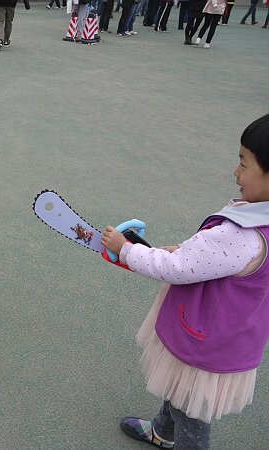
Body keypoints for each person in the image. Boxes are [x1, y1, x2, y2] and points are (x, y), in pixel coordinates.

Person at [102, 114, 269, 450]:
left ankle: (176, 438)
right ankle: (163, 431)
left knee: (190, 410)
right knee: (179, 390)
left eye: (243, 163)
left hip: (204, 340)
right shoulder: (259, 219)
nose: (236, 173)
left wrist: (126, 250)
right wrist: (184, 249)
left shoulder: (242, 234)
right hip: (232, 335)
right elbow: (209, 259)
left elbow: (177, 268)